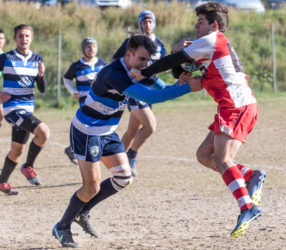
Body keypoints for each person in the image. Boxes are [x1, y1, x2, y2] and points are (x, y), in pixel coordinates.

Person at [130, 2, 267, 238]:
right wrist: (178, 64)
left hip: (238, 105)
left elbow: (171, 62)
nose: (196, 25)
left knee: (223, 159)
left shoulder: (212, 39)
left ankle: (248, 207)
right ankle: (249, 175)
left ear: (213, 25)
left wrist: (143, 72)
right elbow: (178, 69)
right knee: (204, 156)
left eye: (200, 21)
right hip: (230, 107)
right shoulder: (207, 46)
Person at [52, 34, 201, 248]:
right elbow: (151, 98)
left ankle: (83, 211)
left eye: (147, 60)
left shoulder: (138, 70)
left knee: (124, 177)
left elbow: (159, 86)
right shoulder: (114, 74)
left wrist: (179, 82)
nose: (145, 64)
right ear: (128, 54)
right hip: (88, 131)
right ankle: (62, 226)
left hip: (108, 131)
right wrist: (187, 88)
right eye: (141, 59)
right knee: (91, 187)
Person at [113, 10, 168, 176]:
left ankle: (117, 164)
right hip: (135, 90)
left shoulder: (159, 44)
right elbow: (116, 60)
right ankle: (131, 155)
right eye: (144, 22)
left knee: (132, 131)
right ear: (139, 24)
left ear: (154, 24)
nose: (147, 25)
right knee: (150, 127)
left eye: (150, 21)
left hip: (150, 90)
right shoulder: (133, 41)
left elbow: (164, 65)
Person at [0, 24, 50, 195]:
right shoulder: (5, 57)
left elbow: (42, 89)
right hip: (12, 108)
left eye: (27, 36)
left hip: (27, 109)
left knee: (17, 150)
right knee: (43, 132)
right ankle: (28, 166)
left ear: (32, 38)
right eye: (20, 36)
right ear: (15, 38)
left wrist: (41, 76)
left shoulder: (37, 59)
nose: (24, 39)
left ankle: (2, 182)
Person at [63, 37, 107, 165]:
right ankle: (84, 152)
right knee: (88, 127)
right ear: (83, 49)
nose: (91, 49)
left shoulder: (102, 64)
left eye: (93, 46)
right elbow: (66, 79)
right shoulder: (77, 66)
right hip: (86, 102)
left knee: (97, 127)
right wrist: (72, 91)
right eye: (88, 46)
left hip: (101, 102)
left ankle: (73, 149)